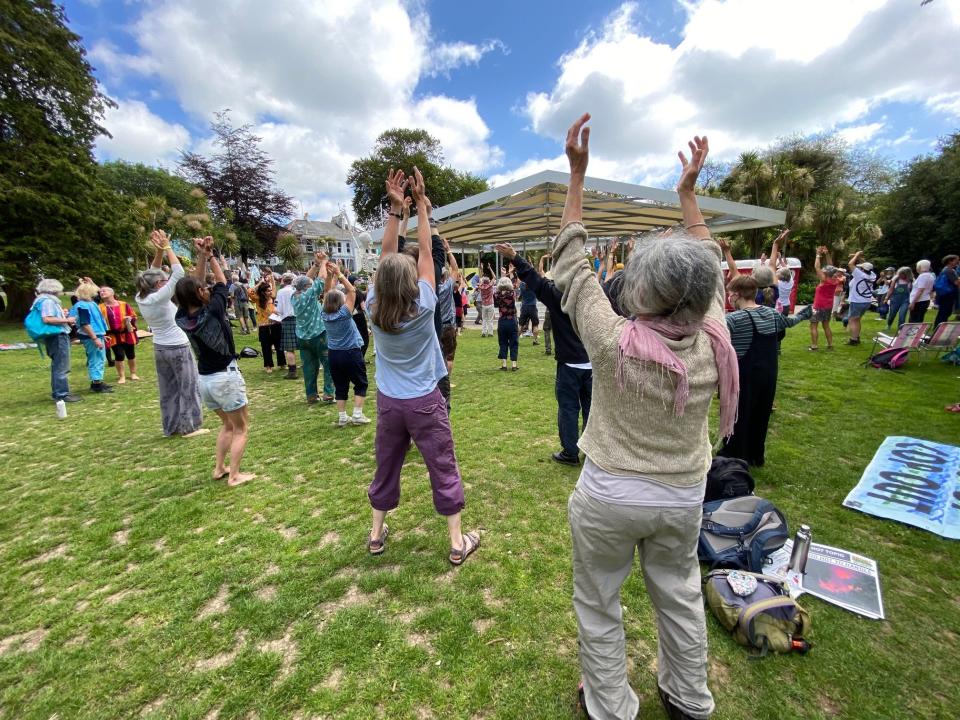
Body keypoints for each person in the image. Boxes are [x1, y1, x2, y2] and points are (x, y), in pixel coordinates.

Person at [554, 115, 735, 720]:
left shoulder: (611, 339)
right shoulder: (715, 337)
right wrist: (688, 196)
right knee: (680, 597)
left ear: (639, 291)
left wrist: (577, 175)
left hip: (608, 492)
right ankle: (688, 699)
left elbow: (572, 265)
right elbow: (707, 260)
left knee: (599, 602)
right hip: (682, 493)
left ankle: (609, 706)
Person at [366, 167, 479, 566]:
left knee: (387, 465)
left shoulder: (372, 307)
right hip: (425, 401)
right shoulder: (425, 303)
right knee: (442, 466)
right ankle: (455, 542)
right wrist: (422, 207)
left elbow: (385, 258)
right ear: (413, 281)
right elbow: (428, 252)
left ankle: (377, 535)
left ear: (378, 283)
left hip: (389, 402)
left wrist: (395, 211)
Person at [496, 242, 591, 466]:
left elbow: (535, 280)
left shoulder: (558, 295)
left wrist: (514, 257)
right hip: (590, 362)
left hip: (569, 363)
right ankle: (590, 450)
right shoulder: (592, 294)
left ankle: (570, 452)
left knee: (568, 408)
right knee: (589, 408)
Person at [175, 236, 254, 486]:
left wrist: (201, 256)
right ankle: (234, 475)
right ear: (199, 293)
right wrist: (210, 257)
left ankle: (219, 468)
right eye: (203, 289)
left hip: (205, 380)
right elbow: (223, 281)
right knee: (241, 428)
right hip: (225, 377)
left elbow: (194, 285)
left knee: (228, 425)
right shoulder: (214, 310)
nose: (207, 289)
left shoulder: (182, 317)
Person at [719, 274, 808, 467]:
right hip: (768, 374)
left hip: (744, 374)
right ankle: (755, 455)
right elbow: (791, 322)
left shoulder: (733, 319)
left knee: (738, 414)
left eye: (729, 294)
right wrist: (807, 313)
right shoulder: (772, 314)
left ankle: (735, 454)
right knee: (761, 413)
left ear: (735, 294)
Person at [135, 230, 207, 437]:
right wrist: (167, 248)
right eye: (163, 280)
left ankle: (171, 427)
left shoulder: (142, 296)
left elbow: (153, 271)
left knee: (168, 390)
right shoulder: (159, 296)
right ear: (159, 284)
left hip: (160, 348)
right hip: (177, 346)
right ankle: (190, 427)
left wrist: (158, 252)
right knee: (189, 386)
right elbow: (178, 273)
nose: (166, 282)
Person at [321, 264, 371, 427]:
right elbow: (352, 292)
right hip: (351, 352)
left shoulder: (325, 314)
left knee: (340, 385)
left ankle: (342, 417)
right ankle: (357, 414)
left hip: (334, 354)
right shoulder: (344, 313)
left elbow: (327, 293)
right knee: (360, 382)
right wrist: (339, 274)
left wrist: (330, 276)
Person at [291, 252, 336, 405]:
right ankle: (329, 393)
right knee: (329, 363)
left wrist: (316, 265)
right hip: (319, 335)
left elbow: (306, 280)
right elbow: (321, 280)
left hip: (303, 338)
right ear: (306, 288)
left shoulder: (295, 296)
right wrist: (323, 262)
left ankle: (311, 395)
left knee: (309, 368)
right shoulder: (309, 295)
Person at [32, 278, 81, 402]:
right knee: (62, 365)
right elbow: (47, 319)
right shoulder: (48, 301)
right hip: (58, 335)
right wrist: (67, 320)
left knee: (57, 365)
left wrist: (61, 314)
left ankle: (58, 392)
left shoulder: (41, 300)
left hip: (52, 336)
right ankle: (62, 394)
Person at [70, 281, 113, 394]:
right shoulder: (82, 306)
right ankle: (96, 384)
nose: (97, 293)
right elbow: (85, 324)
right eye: (94, 291)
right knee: (95, 359)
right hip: (90, 336)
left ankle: (98, 381)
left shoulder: (91, 303)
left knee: (100, 358)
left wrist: (102, 335)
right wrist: (95, 338)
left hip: (97, 334)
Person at [99, 286, 139, 384]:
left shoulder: (124, 304)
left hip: (127, 333)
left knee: (131, 354)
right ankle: (122, 376)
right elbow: (98, 321)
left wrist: (130, 319)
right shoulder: (100, 307)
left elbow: (134, 316)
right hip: (112, 335)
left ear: (112, 293)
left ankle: (133, 373)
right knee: (119, 355)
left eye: (104, 290)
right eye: (100, 291)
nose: (102, 292)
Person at [808, 246, 842, 351]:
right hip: (828, 305)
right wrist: (827, 254)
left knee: (813, 325)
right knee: (826, 325)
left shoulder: (824, 280)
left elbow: (817, 267)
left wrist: (818, 254)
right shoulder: (836, 280)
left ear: (826, 273)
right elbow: (831, 267)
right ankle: (830, 345)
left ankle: (814, 346)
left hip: (818, 305)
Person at [253, 275, 284, 373]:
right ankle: (268, 365)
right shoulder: (258, 299)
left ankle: (282, 363)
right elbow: (249, 291)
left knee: (279, 344)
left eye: (270, 290)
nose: (270, 292)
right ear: (263, 292)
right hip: (264, 326)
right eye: (268, 291)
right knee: (266, 346)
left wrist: (273, 281)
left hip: (275, 324)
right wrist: (259, 283)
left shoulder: (272, 298)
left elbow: (274, 290)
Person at [845, 251, 876, 345]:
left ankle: (853, 340)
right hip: (866, 301)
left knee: (852, 320)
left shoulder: (859, 275)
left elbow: (850, 264)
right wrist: (857, 257)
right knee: (857, 320)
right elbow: (866, 266)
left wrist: (857, 254)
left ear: (862, 269)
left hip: (857, 301)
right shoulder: (872, 275)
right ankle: (856, 337)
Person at [275, 272, 298, 379]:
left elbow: (278, 309)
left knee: (289, 348)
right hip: (301, 319)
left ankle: (292, 371)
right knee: (305, 345)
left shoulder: (281, 291)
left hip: (287, 320)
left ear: (283, 281)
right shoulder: (297, 290)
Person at [494, 276, 519, 370]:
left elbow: (496, 305)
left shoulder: (496, 295)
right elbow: (513, 289)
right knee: (514, 342)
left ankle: (504, 365)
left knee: (503, 342)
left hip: (502, 321)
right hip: (512, 320)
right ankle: (514, 365)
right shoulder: (512, 294)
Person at [932, 254, 959, 329]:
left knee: (944, 312)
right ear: (950, 261)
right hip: (948, 294)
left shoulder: (946, 269)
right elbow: (956, 282)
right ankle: (939, 328)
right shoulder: (949, 271)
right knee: (944, 312)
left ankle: (939, 327)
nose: (957, 262)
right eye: (956, 260)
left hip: (944, 294)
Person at [884, 267, 913, 332]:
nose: (900, 275)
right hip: (895, 299)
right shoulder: (896, 279)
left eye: (902, 274)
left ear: (907, 274)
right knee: (892, 314)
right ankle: (889, 324)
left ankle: (900, 329)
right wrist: (886, 298)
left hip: (906, 300)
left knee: (902, 314)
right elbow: (891, 289)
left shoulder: (911, 281)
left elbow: (912, 292)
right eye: (899, 274)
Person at [909, 259, 936, 323]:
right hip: (925, 300)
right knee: (919, 319)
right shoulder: (931, 276)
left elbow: (920, 290)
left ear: (920, 267)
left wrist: (913, 303)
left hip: (919, 301)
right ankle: (917, 332)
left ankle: (911, 333)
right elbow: (931, 289)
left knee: (913, 320)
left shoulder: (922, 276)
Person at [517, 276, 541, 345]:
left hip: (524, 307)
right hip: (532, 306)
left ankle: (516, 339)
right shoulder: (534, 286)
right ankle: (535, 340)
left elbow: (518, 279)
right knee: (535, 325)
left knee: (521, 325)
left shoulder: (522, 285)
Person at [479, 272, 495, 336]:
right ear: (488, 281)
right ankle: (490, 333)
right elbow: (494, 277)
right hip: (490, 304)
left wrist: (481, 269)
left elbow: (480, 278)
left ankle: (483, 332)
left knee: (484, 319)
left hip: (484, 305)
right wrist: (490, 268)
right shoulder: (490, 285)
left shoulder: (481, 287)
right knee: (490, 319)